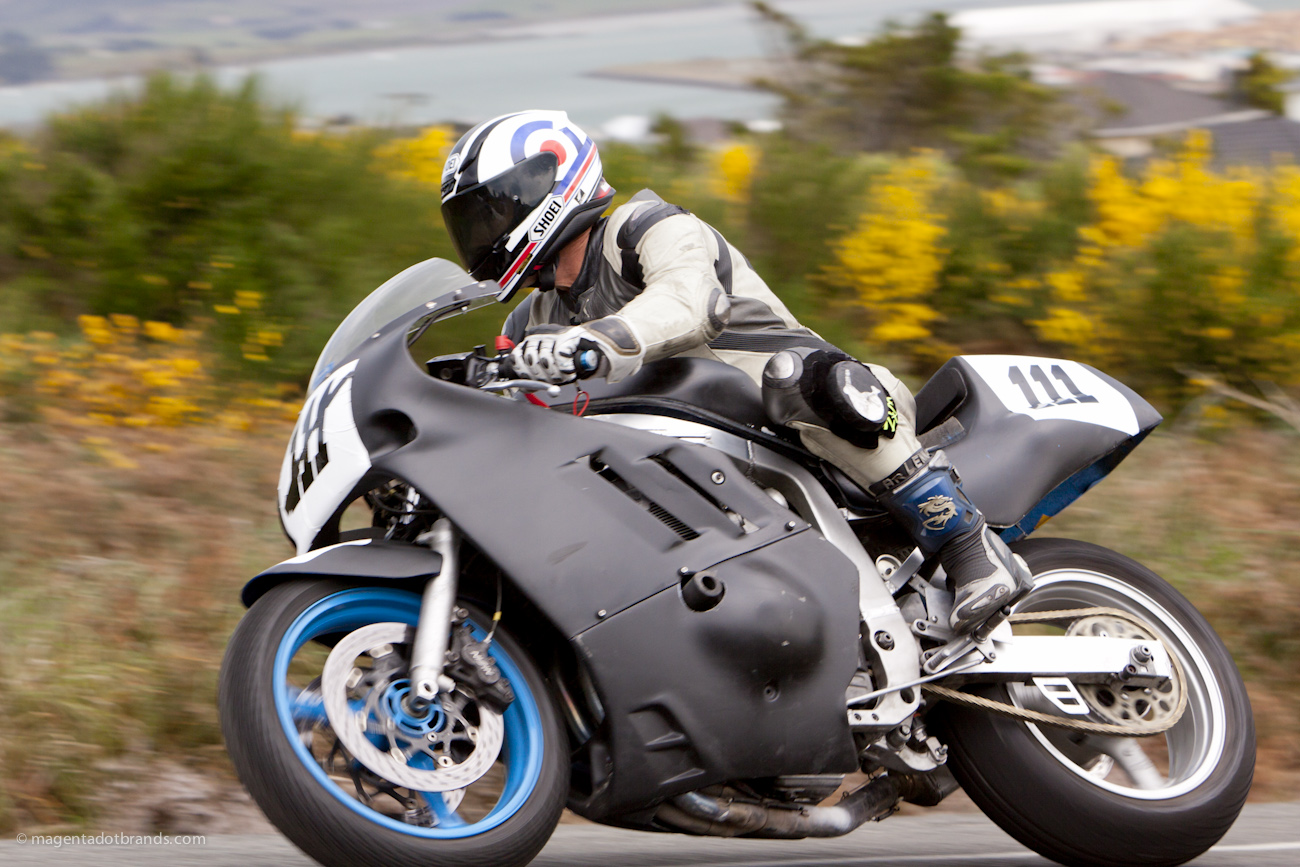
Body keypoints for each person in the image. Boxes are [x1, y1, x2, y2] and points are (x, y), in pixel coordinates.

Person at [439, 110, 1030, 635]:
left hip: (799, 419)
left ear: (552, 181)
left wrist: (595, 342)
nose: (484, 234)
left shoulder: (646, 228)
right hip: (684, 460)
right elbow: (505, 398)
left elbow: (687, 302)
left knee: (802, 377)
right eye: (472, 221)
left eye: (495, 210)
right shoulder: (534, 315)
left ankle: (964, 542)